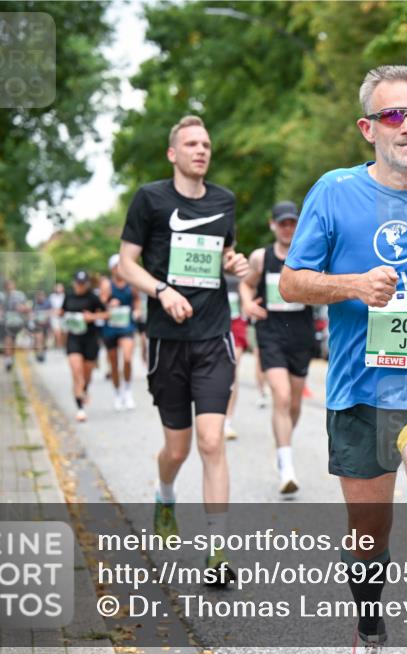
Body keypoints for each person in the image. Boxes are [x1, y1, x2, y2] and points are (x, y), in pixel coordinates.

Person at [280, 65, 407, 654]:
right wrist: (351, 285)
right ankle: (370, 631)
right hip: (359, 392)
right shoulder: (333, 191)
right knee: (369, 538)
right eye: (393, 116)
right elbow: (292, 283)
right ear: (367, 127)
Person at [117, 115, 249, 578]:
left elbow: (226, 256)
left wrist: (236, 264)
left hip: (213, 337)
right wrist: (161, 291)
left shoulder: (224, 200)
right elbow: (125, 265)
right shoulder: (150, 199)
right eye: (191, 143)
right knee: (178, 449)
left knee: (212, 441)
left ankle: (217, 552)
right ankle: (165, 496)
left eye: (206, 144)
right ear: (173, 153)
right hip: (167, 341)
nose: (201, 150)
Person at [240, 201, 315, 495]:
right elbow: (246, 285)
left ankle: (282, 446)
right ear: (273, 225)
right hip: (270, 333)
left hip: (301, 334)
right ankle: (287, 466)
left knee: (294, 404)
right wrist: (247, 303)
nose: (287, 228)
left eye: (292, 223)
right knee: (280, 396)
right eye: (282, 223)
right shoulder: (262, 257)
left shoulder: (310, 255)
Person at [60, 271, 105, 422]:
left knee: (86, 374)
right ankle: (80, 408)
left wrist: (92, 317)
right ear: (74, 283)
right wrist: (62, 315)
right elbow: (62, 311)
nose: (80, 286)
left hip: (90, 339)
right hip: (74, 338)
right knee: (76, 371)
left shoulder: (93, 297)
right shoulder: (69, 296)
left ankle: (84, 390)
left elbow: (107, 314)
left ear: (87, 284)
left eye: (83, 283)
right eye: (78, 283)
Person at [100, 254, 140, 411]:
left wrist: (137, 311)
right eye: (117, 266)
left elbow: (136, 299)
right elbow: (101, 302)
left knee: (128, 359)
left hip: (126, 325)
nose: (120, 269)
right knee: (114, 363)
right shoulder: (107, 285)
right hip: (110, 326)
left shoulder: (131, 283)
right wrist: (109, 303)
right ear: (112, 269)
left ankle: (128, 391)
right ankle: (117, 393)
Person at [223, 272, 249, 440]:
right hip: (212, 326)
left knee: (231, 370)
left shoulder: (240, 280)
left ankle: (227, 421)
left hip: (235, 326)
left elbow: (247, 299)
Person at [0, 279, 29, 372]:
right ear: (5, 287)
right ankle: (8, 359)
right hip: (7, 322)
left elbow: (27, 308)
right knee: (8, 340)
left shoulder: (20, 295)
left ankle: (11, 358)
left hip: (18, 322)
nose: (10, 287)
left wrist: (22, 308)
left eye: (11, 285)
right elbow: (0, 309)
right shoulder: (3, 297)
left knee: (14, 342)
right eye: (8, 286)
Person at [30, 290, 51, 362]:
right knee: (38, 339)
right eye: (39, 296)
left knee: (45, 340)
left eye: (42, 296)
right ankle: (39, 354)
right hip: (37, 325)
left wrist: (46, 316)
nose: (40, 297)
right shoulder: (35, 304)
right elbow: (31, 314)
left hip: (46, 325)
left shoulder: (48, 303)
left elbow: (52, 312)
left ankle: (43, 353)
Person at [49, 282, 66, 350]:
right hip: (55, 316)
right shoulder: (52, 296)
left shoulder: (65, 296)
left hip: (63, 316)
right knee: (57, 331)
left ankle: (63, 344)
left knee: (64, 331)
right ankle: (59, 346)